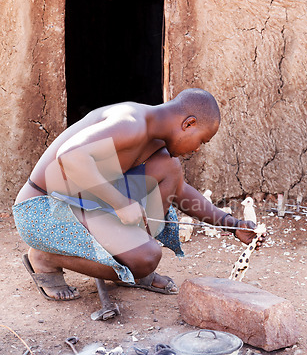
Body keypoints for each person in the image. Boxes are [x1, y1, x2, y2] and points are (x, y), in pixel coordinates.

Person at [13, 88, 265, 302]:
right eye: (202, 141)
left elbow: (179, 191)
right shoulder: (131, 123)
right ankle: (45, 256)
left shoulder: (156, 139)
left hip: (77, 204)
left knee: (170, 168)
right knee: (147, 257)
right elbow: (69, 158)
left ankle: (128, 264)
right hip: (41, 210)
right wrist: (121, 204)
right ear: (188, 124)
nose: (197, 149)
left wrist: (233, 225)